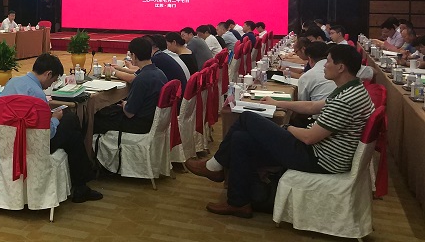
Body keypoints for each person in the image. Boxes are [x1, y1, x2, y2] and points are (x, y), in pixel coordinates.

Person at [185, 44, 374, 218]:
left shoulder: (345, 101)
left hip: (319, 158)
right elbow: (312, 106)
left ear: (341, 68)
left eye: (329, 62)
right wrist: (278, 103)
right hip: (323, 153)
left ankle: (215, 167)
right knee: (240, 139)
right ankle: (238, 202)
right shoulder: (352, 89)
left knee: (247, 118)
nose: (324, 65)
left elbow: (309, 138)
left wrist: (285, 127)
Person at [0, 53, 102, 203]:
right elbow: (47, 134)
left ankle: (82, 182)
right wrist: (55, 119)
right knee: (71, 123)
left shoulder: (12, 83)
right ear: (48, 74)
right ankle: (82, 183)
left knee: (71, 130)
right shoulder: (37, 95)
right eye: (53, 81)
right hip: (33, 145)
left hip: (8, 141)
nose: (51, 85)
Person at [94, 37, 167, 135]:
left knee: (96, 119)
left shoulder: (141, 79)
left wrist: (125, 104)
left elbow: (129, 113)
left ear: (134, 56)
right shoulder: (160, 73)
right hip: (152, 121)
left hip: (139, 125)